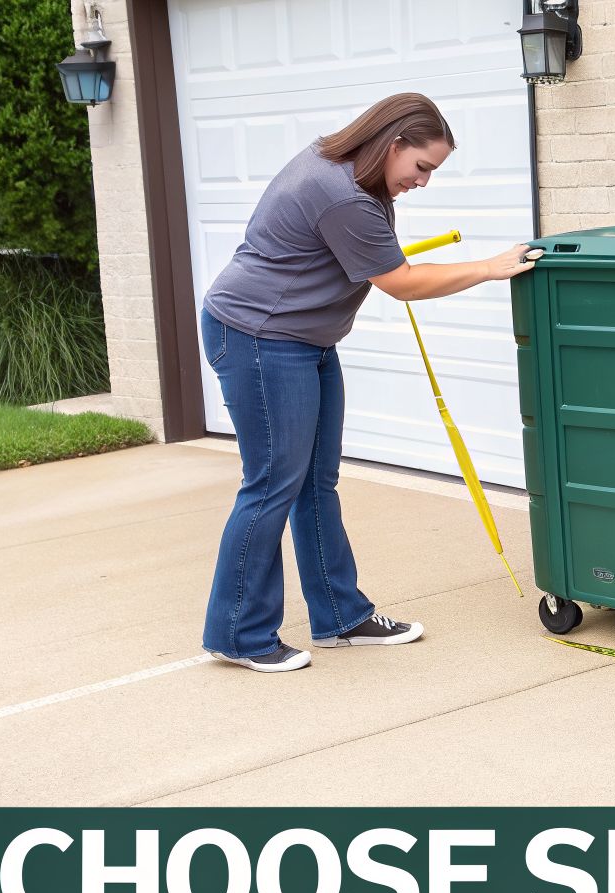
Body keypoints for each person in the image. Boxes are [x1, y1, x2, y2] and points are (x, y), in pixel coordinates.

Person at [198, 92, 538, 673]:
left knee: (316, 482)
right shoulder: (339, 193)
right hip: (260, 338)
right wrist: (489, 266)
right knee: (272, 485)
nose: (424, 182)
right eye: (422, 167)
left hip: (303, 340)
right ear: (393, 142)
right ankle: (239, 634)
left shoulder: (355, 177)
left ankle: (339, 615)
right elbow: (400, 282)